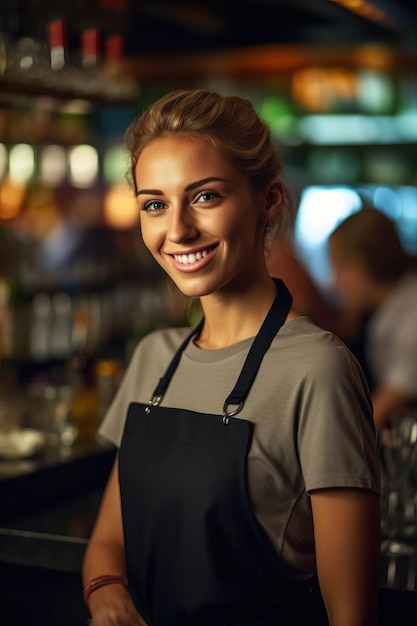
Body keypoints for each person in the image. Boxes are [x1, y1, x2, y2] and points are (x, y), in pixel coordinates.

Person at [82, 89, 381, 626]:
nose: (177, 231)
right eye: (155, 204)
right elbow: (107, 540)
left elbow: (351, 613)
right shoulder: (154, 358)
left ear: (267, 200)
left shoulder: (317, 368)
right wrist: (106, 594)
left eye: (205, 197)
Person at [328, 207, 417, 431]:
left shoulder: (411, 316)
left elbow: (386, 404)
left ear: (368, 262)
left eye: (341, 267)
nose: (335, 282)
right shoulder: (385, 312)